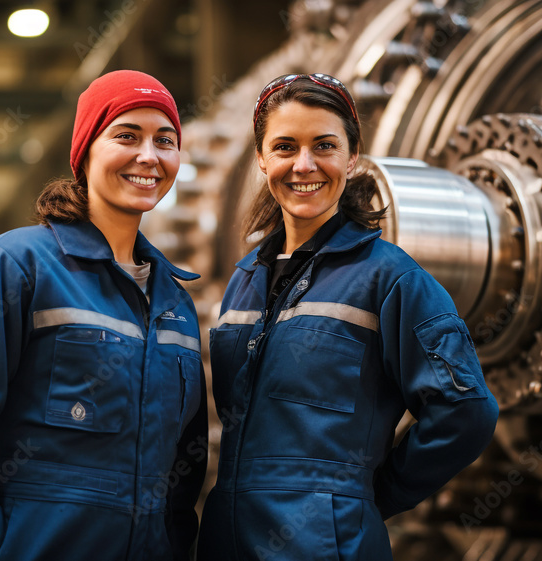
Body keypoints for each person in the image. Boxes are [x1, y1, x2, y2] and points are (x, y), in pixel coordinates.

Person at [0, 70, 207, 561]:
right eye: (126, 135)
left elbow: (182, 471)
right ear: (85, 150)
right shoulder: (19, 266)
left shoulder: (174, 301)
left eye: (164, 140)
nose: (149, 156)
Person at [197, 73, 500, 560]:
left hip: (327, 546)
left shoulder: (389, 279)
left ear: (352, 156)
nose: (304, 164)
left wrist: (365, 497)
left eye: (324, 145)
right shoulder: (244, 282)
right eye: (284, 147)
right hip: (228, 540)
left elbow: (466, 411)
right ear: (261, 158)